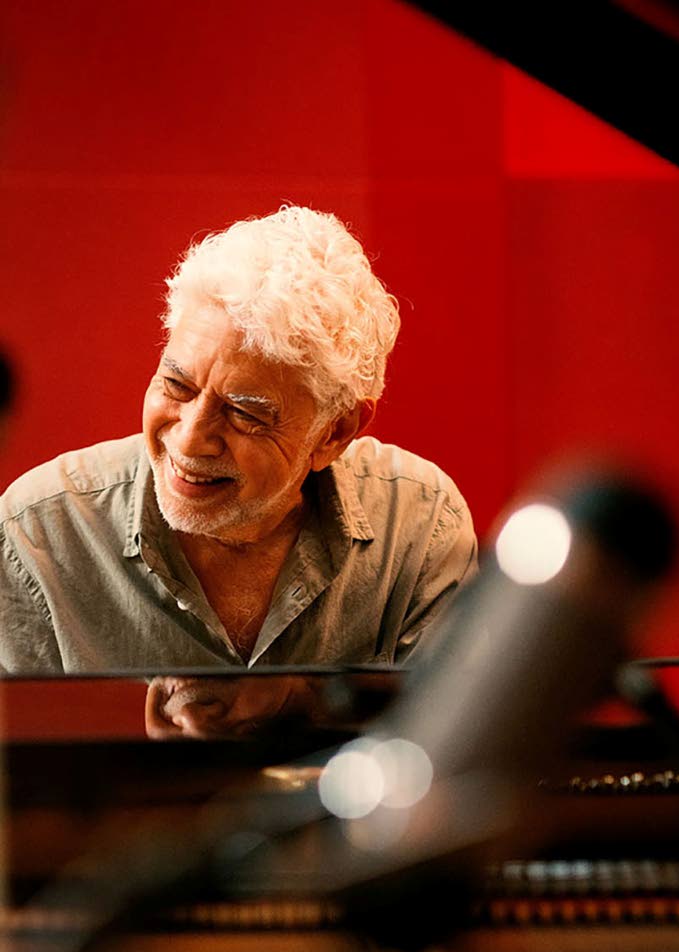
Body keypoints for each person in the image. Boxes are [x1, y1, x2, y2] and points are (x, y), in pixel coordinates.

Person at [0, 207, 476, 673]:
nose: (191, 440)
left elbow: (459, 720)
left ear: (334, 432)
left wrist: (300, 703)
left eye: (245, 414)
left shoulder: (418, 526)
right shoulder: (40, 536)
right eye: (177, 386)